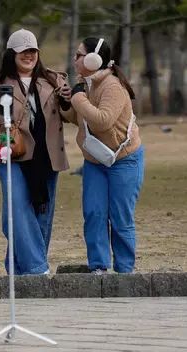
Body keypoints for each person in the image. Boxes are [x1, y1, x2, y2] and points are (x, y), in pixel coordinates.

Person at [0, 28, 71, 275]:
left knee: (42, 214)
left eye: (32, 51)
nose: (28, 56)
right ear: (12, 54)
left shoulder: (54, 80)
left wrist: (67, 101)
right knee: (17, 209)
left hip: (47, 156)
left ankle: (18, 272)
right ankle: (37, 269)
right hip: (12, 153)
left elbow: (69, 115)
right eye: (23, 52)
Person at [62, 37, 143, 275]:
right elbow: (81, 120)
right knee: (94, 213)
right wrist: (66, 103)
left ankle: (125, 272)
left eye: (79, 54)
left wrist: (77, 98)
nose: (75, 59)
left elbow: (103, 121)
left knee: (120, 218)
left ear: (92, 59)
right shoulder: (85, 84)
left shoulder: (112, 86)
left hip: (124, 160)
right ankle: (98, 268)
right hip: (96, 161)